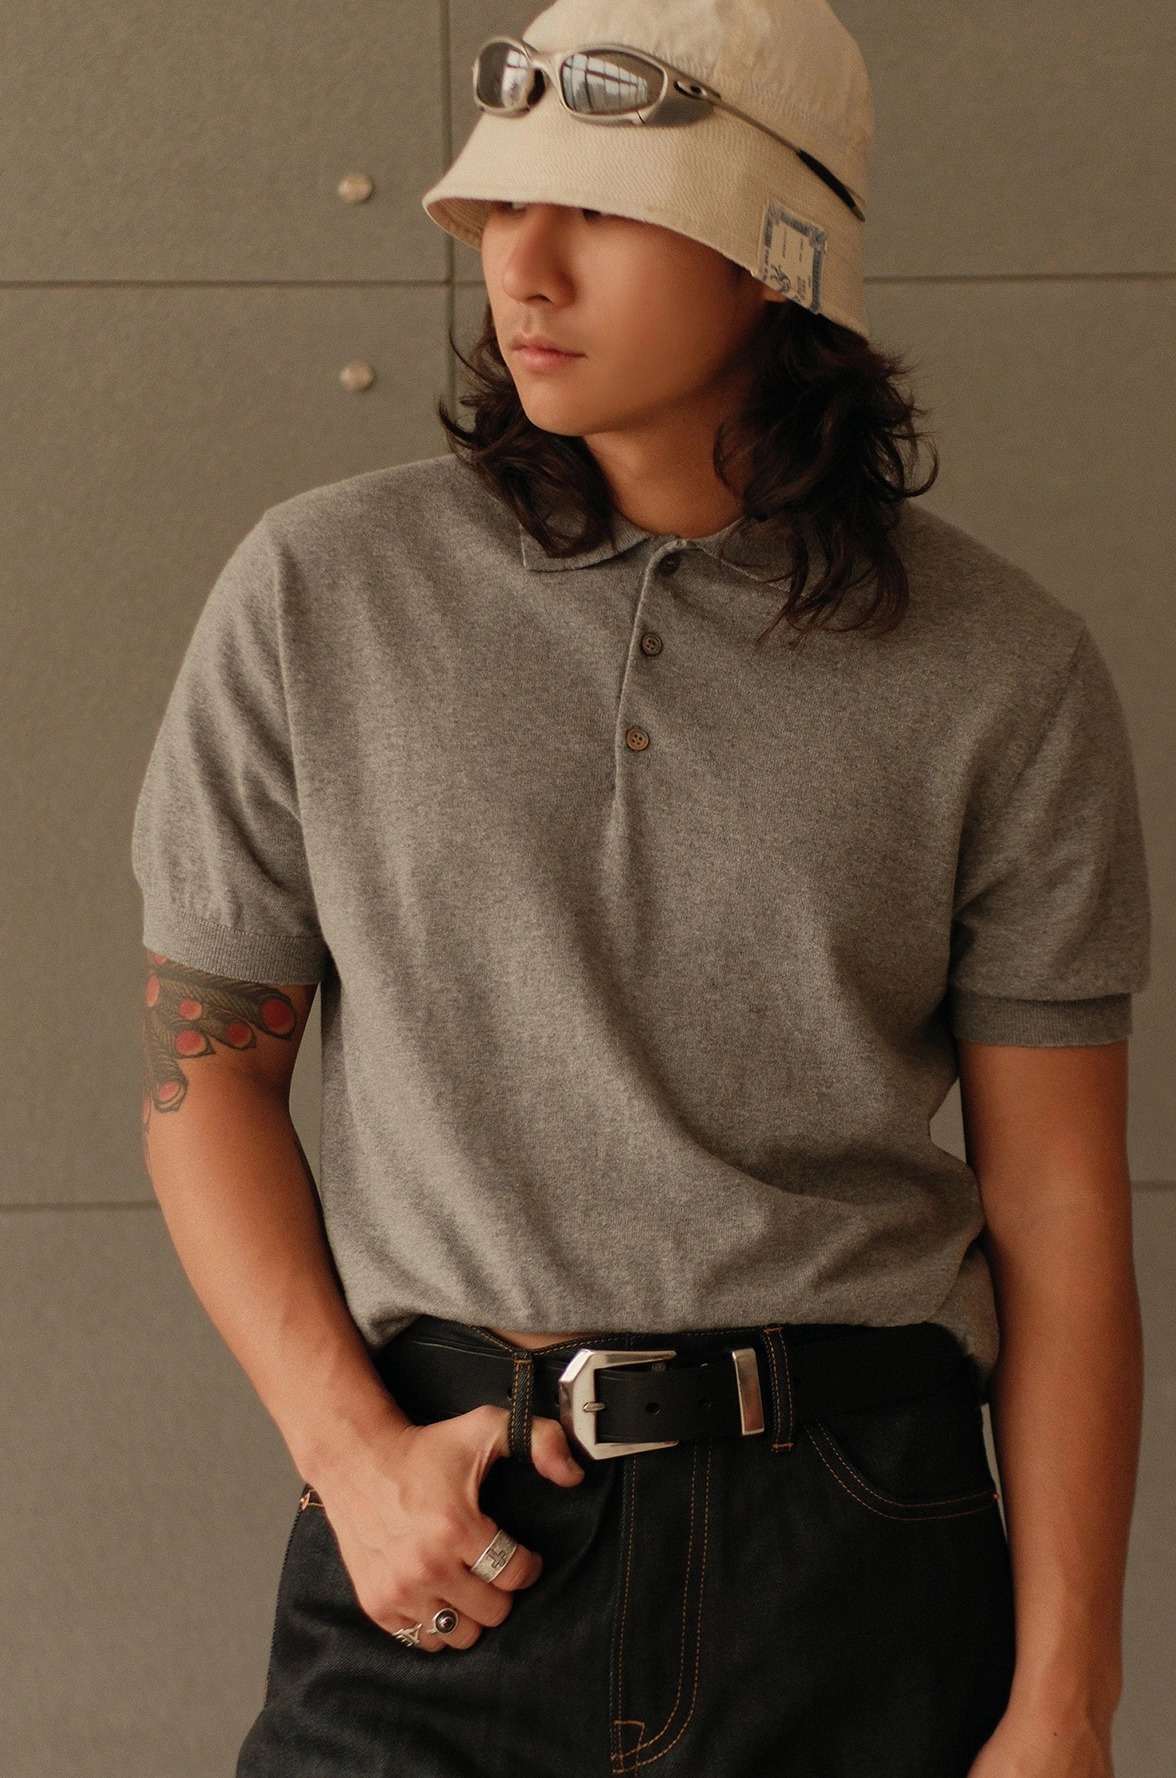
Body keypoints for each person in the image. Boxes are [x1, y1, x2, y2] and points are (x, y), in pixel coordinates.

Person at [131, 3, 1151, 1774]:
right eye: (501, 207)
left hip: (856, 1550)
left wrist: (1066, 1699)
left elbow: (1058, 1214)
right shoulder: (319, 591)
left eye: (599, 210)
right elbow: (202, 1073)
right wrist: (349, 1454)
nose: (518, 266)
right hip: (450, 1535)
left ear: (776, 256)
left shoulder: (1007, 670)